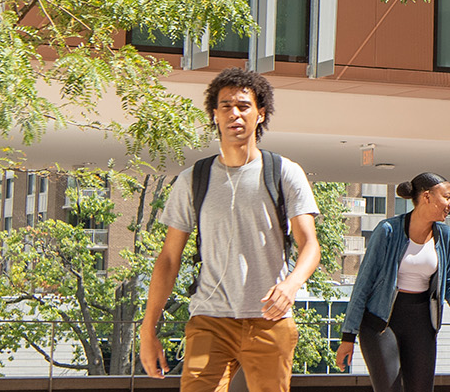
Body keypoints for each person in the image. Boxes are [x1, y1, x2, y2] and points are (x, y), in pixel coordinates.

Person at [137, 68, 322, 392]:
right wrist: (148, 328)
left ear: (260, 113)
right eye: (225, 106)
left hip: (270, 320)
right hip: (209, 320)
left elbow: (310, 245)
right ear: (214, 114)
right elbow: (168, 258)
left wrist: (292, 285)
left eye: (243, 105)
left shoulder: (284, 173)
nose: (234, 113)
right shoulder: (193, 179)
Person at [336, 172, 450, 392]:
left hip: (422, 323)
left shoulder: (447, 237)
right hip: (380, 322)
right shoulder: (388, 231)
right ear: (427, 197)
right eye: (447, 197)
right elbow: (363, 284)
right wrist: (348, 336)